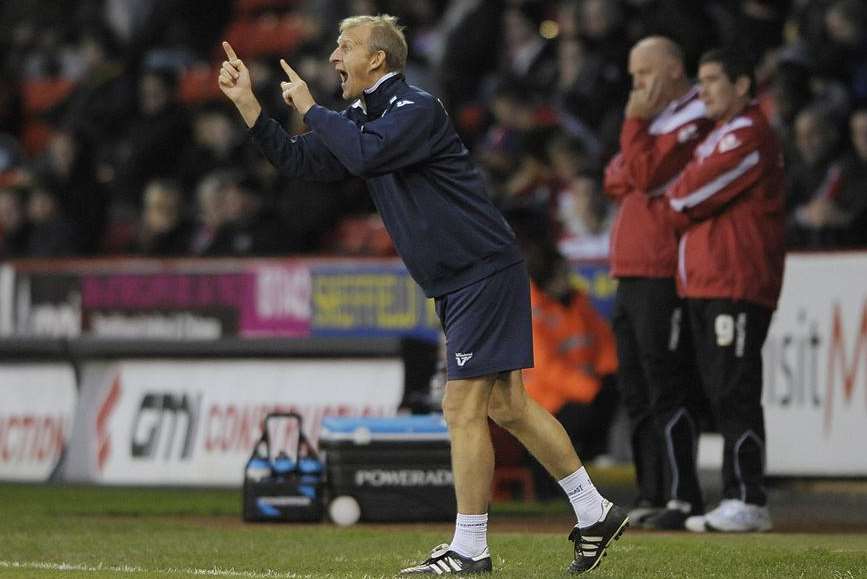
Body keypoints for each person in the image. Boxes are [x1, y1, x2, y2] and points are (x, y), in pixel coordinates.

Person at [218, 14, 628, 575]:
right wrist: (249, 105)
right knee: (508, 405)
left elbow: (361, 155)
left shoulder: (416, 109)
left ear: (378, 60)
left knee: (461, 407)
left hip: (480, 270)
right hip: (465, 278)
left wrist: (313, 108)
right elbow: (298, 160)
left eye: (346, 47)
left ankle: (471, 549)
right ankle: (593, 510)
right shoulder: (364, 118)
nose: (334, 57)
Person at [665, 48, 785, 533]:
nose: (704, 89)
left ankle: (749, 497)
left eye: (714, 79)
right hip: (708, 283)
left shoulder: (748, 134)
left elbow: (685, 194)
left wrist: (682, 190)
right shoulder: (719, 135)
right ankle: (735, 495)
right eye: (701, 79)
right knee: (719, 391)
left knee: (735, 391)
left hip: (735, 282)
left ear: (742, 85)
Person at [603, 36, 712, 529]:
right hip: (630, 271)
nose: (636, 87)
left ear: (672, 69)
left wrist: (634, 127)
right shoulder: (659, 124)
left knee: (668, 385)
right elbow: (614, 176)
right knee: (637, 390)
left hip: (663, 271)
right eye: (631, 76)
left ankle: (685, 494)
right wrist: (639, 147)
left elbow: (641, 174)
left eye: (643, 74)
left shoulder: (695, 119)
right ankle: (651, 492)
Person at [522, 243, 619, 499]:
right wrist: (591, 390)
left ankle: (587, 459)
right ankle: (549, 492)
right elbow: (547, 370)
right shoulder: (532, 311)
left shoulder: (578, 302)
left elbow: (603, 342)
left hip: (578, 392)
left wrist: (609, 377)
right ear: (547, 278)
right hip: (544, 401)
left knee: (613, 394)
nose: (568, 278)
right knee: (572, 424)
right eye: (562, 273)